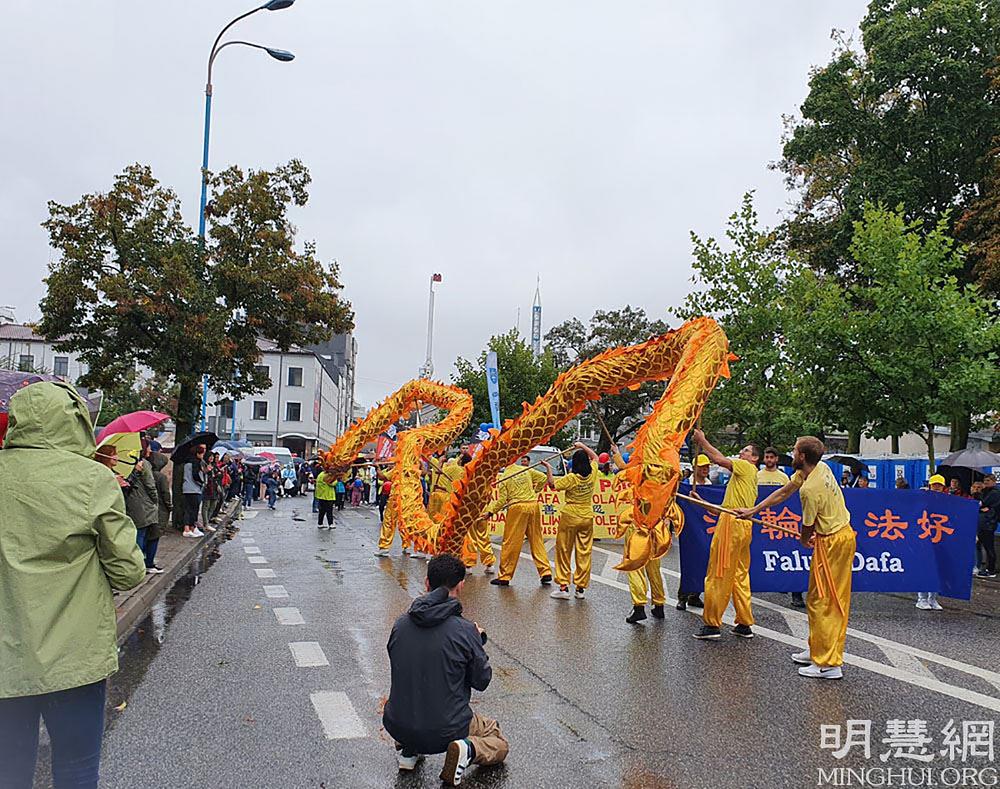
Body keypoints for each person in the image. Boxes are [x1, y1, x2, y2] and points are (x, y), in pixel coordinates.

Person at [0, 382, 147, 788]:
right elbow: (129, 572)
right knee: (77, 767)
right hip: (74, 655)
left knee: (8, 772)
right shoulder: (92, 480)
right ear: (77, 422)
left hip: (5, 657)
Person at [736, 436, 854, 680]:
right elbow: (784, 492)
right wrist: (753, 511)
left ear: (802, 456)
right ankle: (817, 649)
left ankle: (829, 664)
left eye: (794, 449)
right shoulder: (817, 468)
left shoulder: (811, 489)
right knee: (815, 597)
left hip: (834, 541)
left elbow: (807, 528)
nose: (791, 452)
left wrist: (803, 540)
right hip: (830, 538)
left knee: (827, 600)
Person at [383, 555, 508, 785]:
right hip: (445, 728)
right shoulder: (465, 631)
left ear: (426, 583)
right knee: (496, 737)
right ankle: (467, 749)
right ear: (460, 585)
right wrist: (476, 642)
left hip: (398, 724)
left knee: (416, 684)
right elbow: (482, 680)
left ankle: (409, 751)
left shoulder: (400, 624)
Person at [691, 430, 761, 640]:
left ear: (754, 458)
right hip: (743, 525)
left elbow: (720, 459)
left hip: (731, 526)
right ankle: (744, 622)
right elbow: (726, 508)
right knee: (739, 575)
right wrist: (702, 502)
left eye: (746, 451)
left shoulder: (746, 467)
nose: (742, 452)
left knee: (718, 572)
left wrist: (703, 441)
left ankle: (712, 624)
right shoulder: (747, 478)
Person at [483, 455, 551, 587]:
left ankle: (505, 576)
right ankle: (545, 571)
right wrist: (533, 492)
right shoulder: (525, 469)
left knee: (511, 542)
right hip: (533, 505)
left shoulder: (504, 477)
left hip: (517, 507)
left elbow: (502, 500)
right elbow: (543, 478)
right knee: (537, 539)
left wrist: (490, 512)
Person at [543, 442, 598, 600]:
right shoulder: (593, 472)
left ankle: (563, 587)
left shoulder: (571, 478)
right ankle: (580, 588)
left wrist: (548, 468)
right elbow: (595, 457)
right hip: (587, 516)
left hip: (570, 515)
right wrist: (582, 445)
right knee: (584, 552)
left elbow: (553, 485)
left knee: (564, 551)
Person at [756, 447, 802, 608]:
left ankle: (794, 592)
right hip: (761, 522)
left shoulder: (784, 477)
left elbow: (788, 497)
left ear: (776, 459)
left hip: (780, 522)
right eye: (766, 457)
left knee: (787, 554)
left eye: (771, 457)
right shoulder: (757, 476)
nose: (769, 460)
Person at [677, 454, 712, 611]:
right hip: (690, 528)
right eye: (702, 466)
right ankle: (682, 596)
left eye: (707, 466)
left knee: (704, 561)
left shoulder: (710, 485)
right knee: (689, 562)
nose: (705, 469)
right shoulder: (686, 485)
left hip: (705, 528)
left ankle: (695, 595)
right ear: (694, 468)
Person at [457, 453, 497, 573]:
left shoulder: (463, 474)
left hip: (470, 511)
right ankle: (490, 564)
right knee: (483, 537)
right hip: (482, 511)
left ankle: (468, 564)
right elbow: (489, 496)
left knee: (470, 538)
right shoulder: (484, 476)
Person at [125, 441, 160, 568]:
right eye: (149, 447)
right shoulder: (144, 464)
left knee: (137, 533)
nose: (150, 450)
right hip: (144, 504)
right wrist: (155, 500)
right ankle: (139, 564)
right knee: (142, 534)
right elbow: (150, 485)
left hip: (131, 503)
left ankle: (137, 563)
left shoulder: (126, 463)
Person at [148, 452, 172, 573]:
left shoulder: (146, 473)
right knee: (155, 536)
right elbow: (165, 494)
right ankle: (149, 562)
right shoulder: (161, 477)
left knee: (147, 535)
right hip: (160, 509)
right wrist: (169, 506)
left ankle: (146, 559)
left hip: (148, 509)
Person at [975, 474, 999, 579]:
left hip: (989, 523)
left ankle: (991, 569)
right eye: (985, 481)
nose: (986, 483)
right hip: (983, 522)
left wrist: (982, 505)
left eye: (988, 481)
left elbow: (982, 503)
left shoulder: (995, 493)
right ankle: (982, 567)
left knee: (989, 547)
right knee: (979, 546)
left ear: (994, 481)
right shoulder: (986, 492)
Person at [181, 446, 206, 538]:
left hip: (186, 488)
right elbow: (195, 476)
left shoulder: (187, 463)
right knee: (194, 510)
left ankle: (188, 528)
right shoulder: (196, 463)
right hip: (194, 489)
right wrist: (202, 482)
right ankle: (191, 528)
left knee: (188, 509)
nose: (203, 455)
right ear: (197, 454)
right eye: (202, 453)